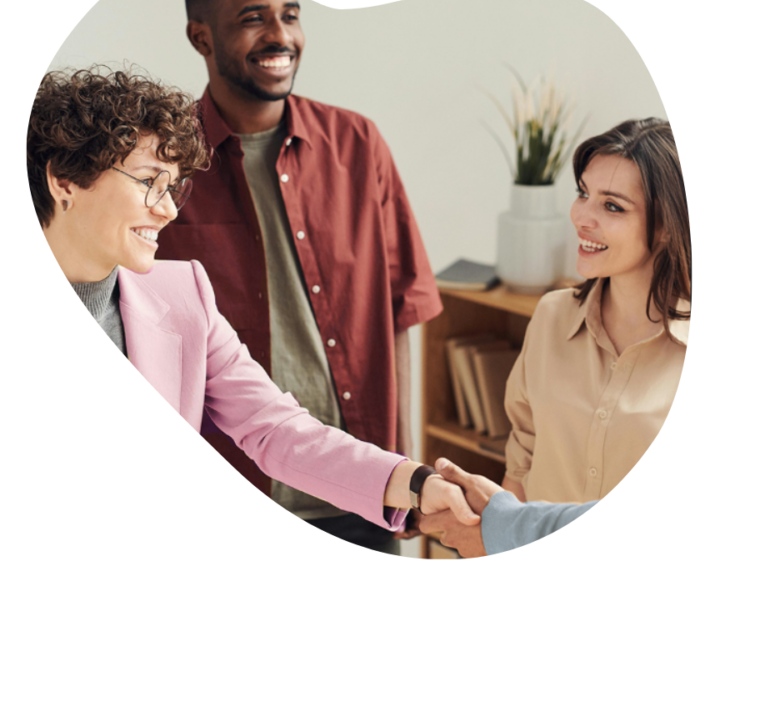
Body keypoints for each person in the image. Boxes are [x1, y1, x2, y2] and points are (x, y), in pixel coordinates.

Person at [26, 67, 476, 560]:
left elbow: (276, 427)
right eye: (149, 182)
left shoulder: (182, 298)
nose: (169, 210)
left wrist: (415, 483)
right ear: (63, 181)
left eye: (172, 187)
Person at [155, 0, 443, 559]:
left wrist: (406, 467)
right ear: (201, 36)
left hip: (363, 486)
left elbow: (398, 315)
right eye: (254, 18)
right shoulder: (163, 163)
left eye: (289, 16)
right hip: (227, 497)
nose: (280, 36)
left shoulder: (359, 146)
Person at [497, 118, 720, 505]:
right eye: (583, 193)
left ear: (667, 225)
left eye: (612, 206)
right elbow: (521, 463)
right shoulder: (551, 317)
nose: (582, 217)